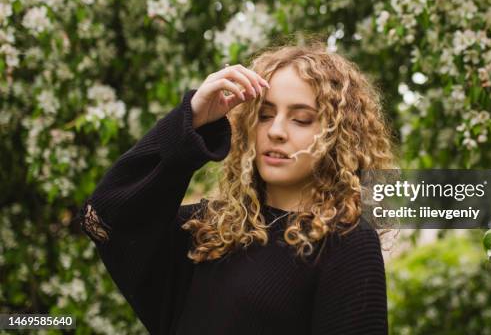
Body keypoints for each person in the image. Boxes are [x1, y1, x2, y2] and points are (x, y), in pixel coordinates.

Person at [78, 43, 397, 334]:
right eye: (264, 115)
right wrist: (191, 121)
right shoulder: (207, 231)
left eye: (301, 119)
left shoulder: (345, 243)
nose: (276, 131)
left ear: (337, 137)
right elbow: (104, 219)